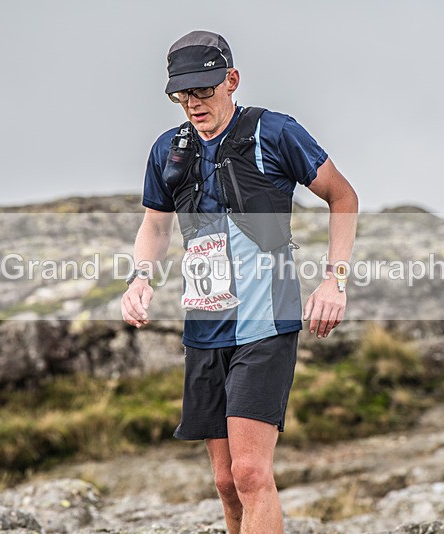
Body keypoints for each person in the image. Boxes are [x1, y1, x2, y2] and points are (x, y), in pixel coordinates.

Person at [120, 30, 358, 533]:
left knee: (251, 473)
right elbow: (155, 225)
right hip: (205, 326)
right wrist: (141, 278)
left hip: (265, 321)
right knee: (227, 482)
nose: (193, 103)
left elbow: (342, 196)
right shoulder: (169, 150)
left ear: (231, 80)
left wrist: (334, 280)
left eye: (204, 90)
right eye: (182, 93)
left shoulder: (274, 133)